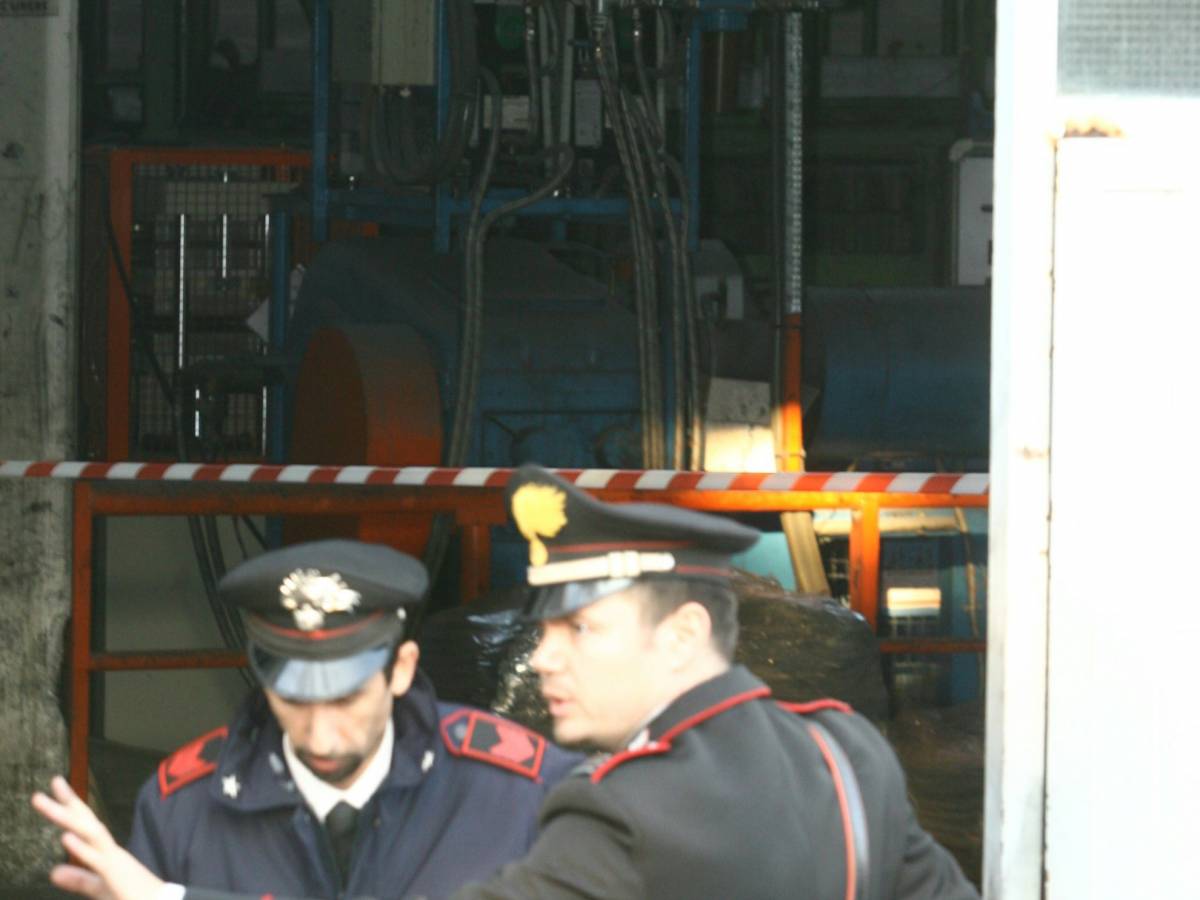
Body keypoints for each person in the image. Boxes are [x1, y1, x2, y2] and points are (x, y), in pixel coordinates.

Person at [36, 468, 979, 899]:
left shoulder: (605, 814)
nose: (544, 658)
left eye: (580, 629)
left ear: (685, 636)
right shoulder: (845, 753)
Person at [35, 539, 578, 900]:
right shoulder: (183, 806)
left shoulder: (520, 791)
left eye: (345, 699)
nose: (320, 735)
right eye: (293, 698)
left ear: (402, 669)